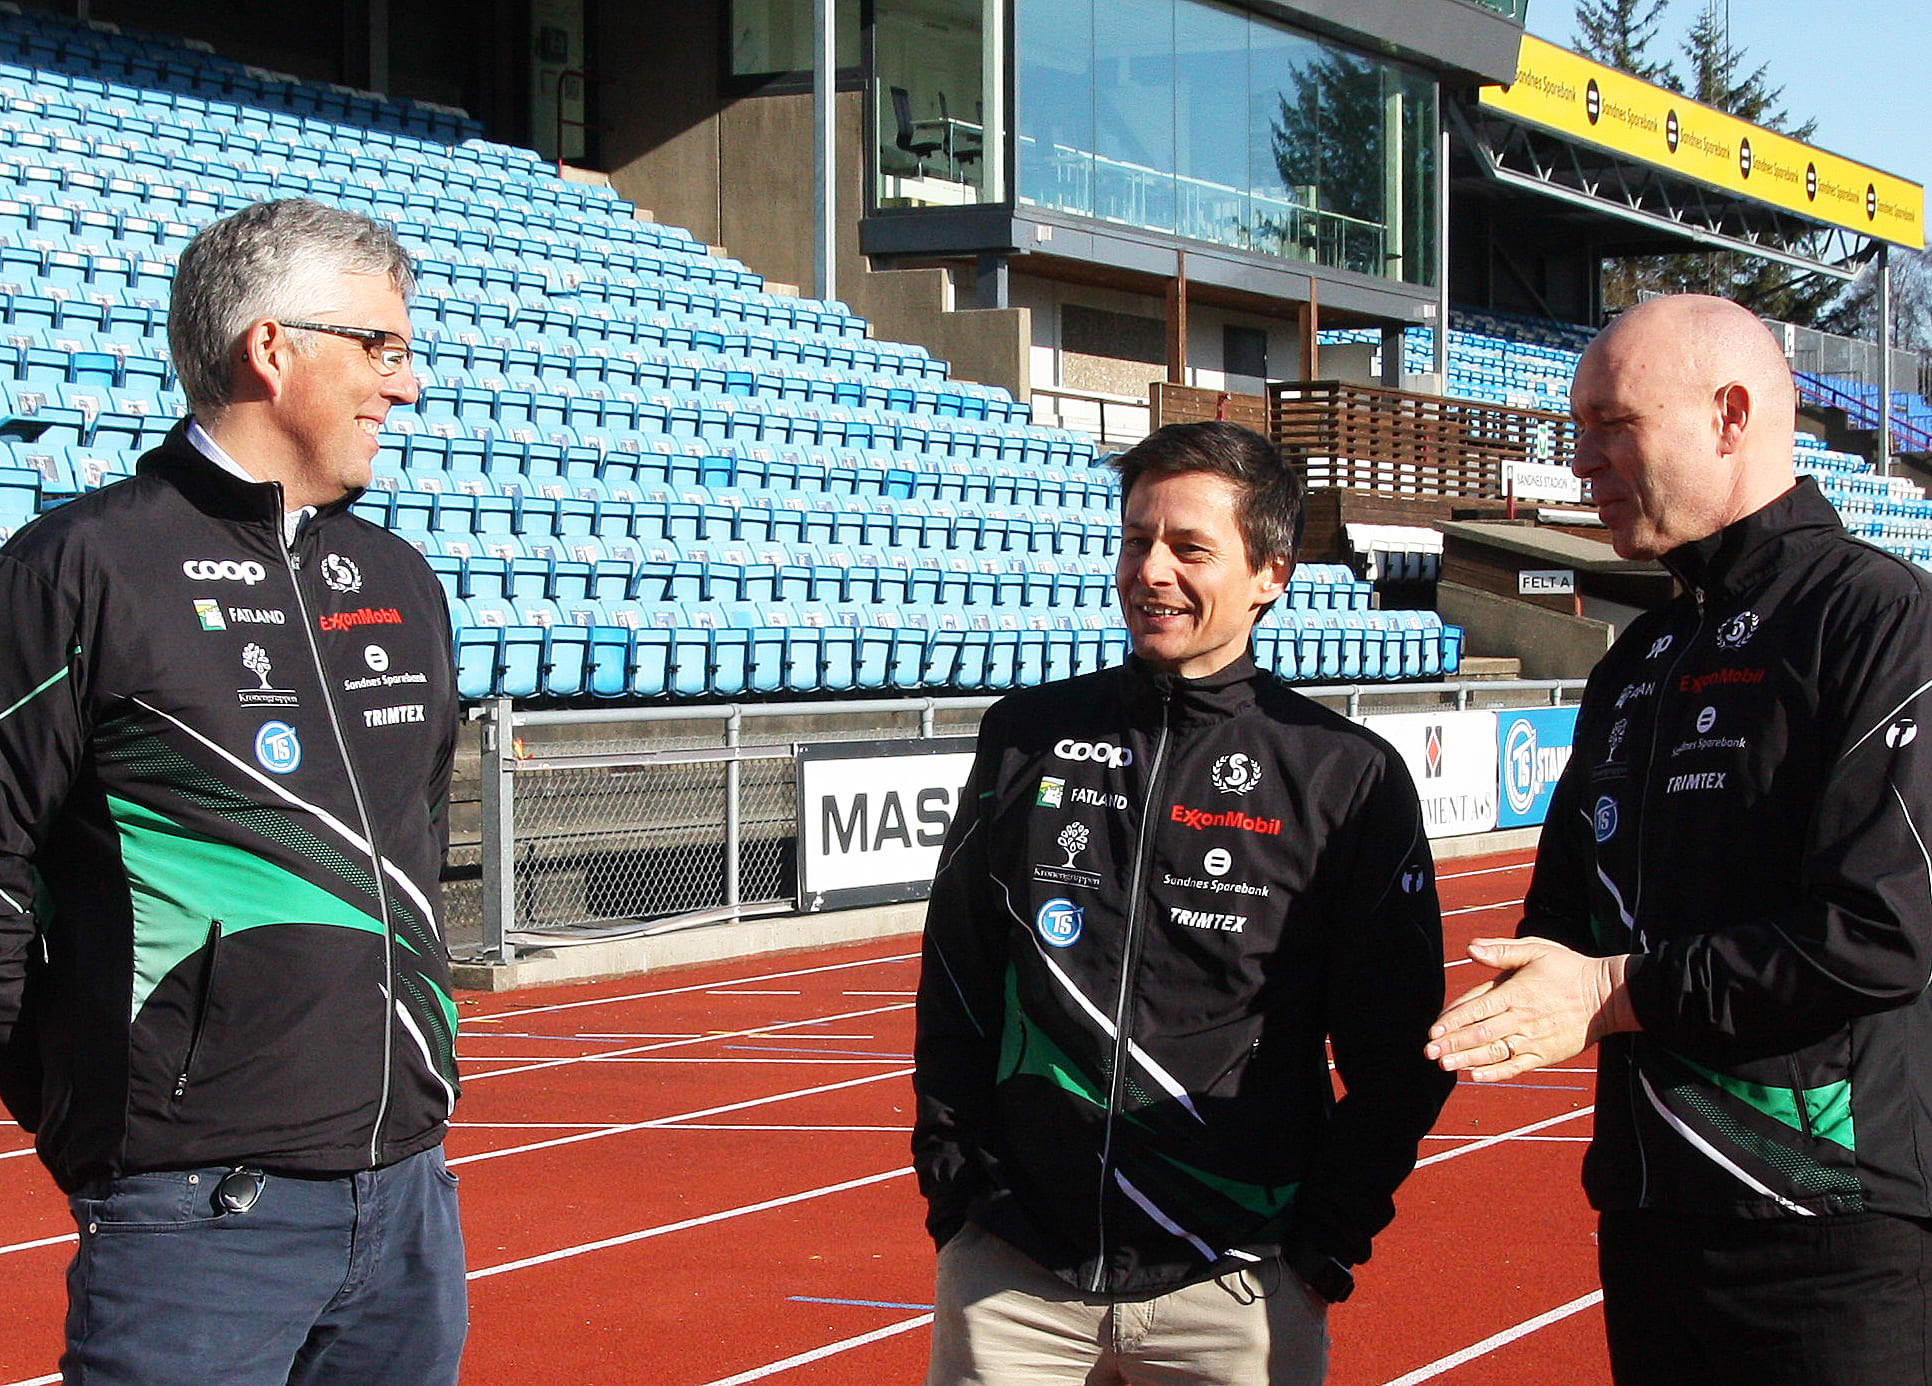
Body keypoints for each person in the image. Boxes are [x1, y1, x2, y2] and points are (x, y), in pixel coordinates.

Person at [0, 198, 466, 1385]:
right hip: (194, 1220)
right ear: (272, 348)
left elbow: (420, 839)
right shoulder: (80, 570)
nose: (405, 384)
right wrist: (85, 1110)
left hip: (409, 1203)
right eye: (381, 346)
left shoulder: (400, 580)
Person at [1427, 294, 1932, 1384]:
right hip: (1650, 1219)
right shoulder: (1636, 659)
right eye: (1577, 430)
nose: (1582, 462)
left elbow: (1878, 932)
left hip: (1828, 1234)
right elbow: (1562, 923)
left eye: (1612, 424)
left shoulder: (1880, 619)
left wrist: (1616, 992)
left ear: (1730, 416)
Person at [914, 420, 1455, 1385]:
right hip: (1014, 1276)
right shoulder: (1026, 734)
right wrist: (956, 1193)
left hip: (1234, 1287)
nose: (1150, 570)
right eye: (1137, 540)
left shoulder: (1344, 776)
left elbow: (1399, 1051)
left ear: (1270, 574)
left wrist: (1324, 1243)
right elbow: (958, 973)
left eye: (1190, 548)